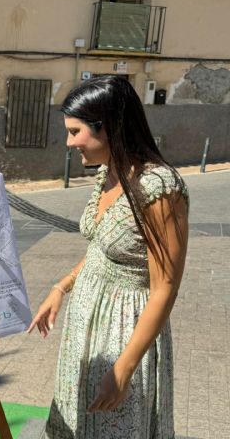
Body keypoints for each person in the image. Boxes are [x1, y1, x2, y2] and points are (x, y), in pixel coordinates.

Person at [28, 75, 189, 438]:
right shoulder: (107, 174)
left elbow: (165, 288)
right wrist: (61, 287)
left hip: (124, 332)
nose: (69, 143)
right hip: (85, 328)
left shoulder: (160, 189)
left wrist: (123, 369)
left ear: (110, 127)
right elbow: (102, 247)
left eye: (75, 131)